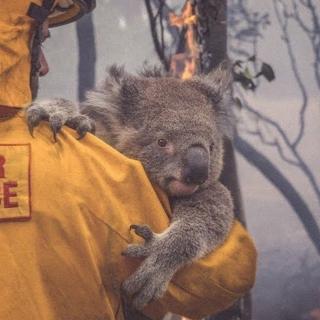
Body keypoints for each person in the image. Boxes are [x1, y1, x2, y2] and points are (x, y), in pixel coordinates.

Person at [0, 1, 257, 319]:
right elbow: (222, 281)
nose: (43, 66)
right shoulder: (98, 173)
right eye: (36, 43)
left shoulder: (63, 141)